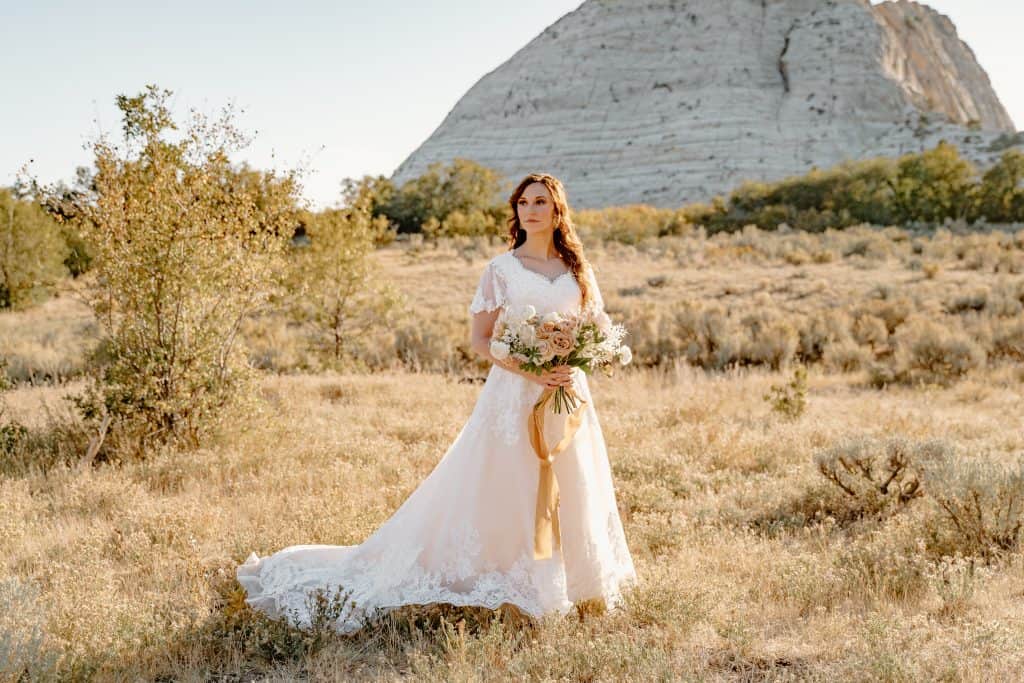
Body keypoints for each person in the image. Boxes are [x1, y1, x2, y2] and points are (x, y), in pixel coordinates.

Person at [236, 172, 637, 634]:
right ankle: (523, 584)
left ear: (557, 210)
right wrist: (532, 369)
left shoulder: (578, 271)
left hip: (567, 396)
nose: (531, 209)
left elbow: (599, 328)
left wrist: (579, 359)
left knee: (574, 482)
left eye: (541, 202)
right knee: (514, 485)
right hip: (515, 396)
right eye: (524, 202)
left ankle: (581, 584)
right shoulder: (501, 270)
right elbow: (481, 340)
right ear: (517, 211)